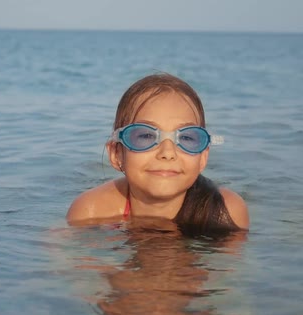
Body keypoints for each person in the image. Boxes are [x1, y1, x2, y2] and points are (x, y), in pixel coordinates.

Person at [66, 73, 249, 235]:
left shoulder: (225, 213)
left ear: (203, 157)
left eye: (186, 138)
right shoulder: (90, 212)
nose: (167, 153)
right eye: (145, 136)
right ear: (116, 154)